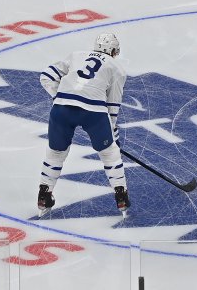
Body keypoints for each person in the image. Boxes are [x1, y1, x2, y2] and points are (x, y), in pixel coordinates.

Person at [36, 32, 129, 216]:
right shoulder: (117, 68)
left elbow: (46, 76)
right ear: (112, 50)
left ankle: (44, 195)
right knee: (110, 154)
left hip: (62, 110)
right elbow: (112, 107)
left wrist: (59, 97)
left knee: (55, 154)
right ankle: (121, 197)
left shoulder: (75, 55)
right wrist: (113, 137)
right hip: (93, 112)